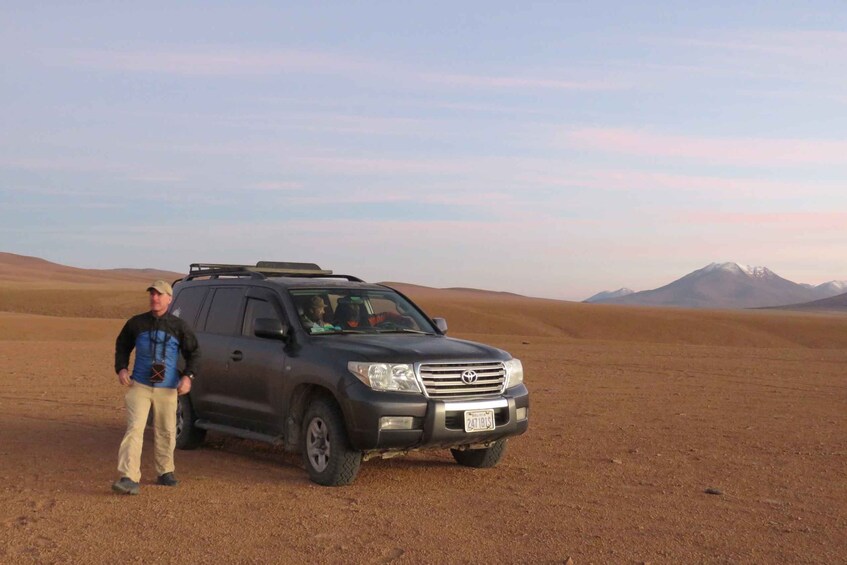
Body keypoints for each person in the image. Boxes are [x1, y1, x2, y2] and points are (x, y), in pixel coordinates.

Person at [111, 280, 200, 495]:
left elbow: (194, 353)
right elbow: (122, 344)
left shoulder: (179, 327)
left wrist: (188, 377)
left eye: (159, 294)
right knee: (135, 429)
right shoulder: (136, 323)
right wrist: (122, 369)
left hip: (167, 388)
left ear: (169, 299)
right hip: (140, 385)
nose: (154, 298)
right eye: (152, 294)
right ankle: (129, 477)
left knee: (166, 430)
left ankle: (165, 471)